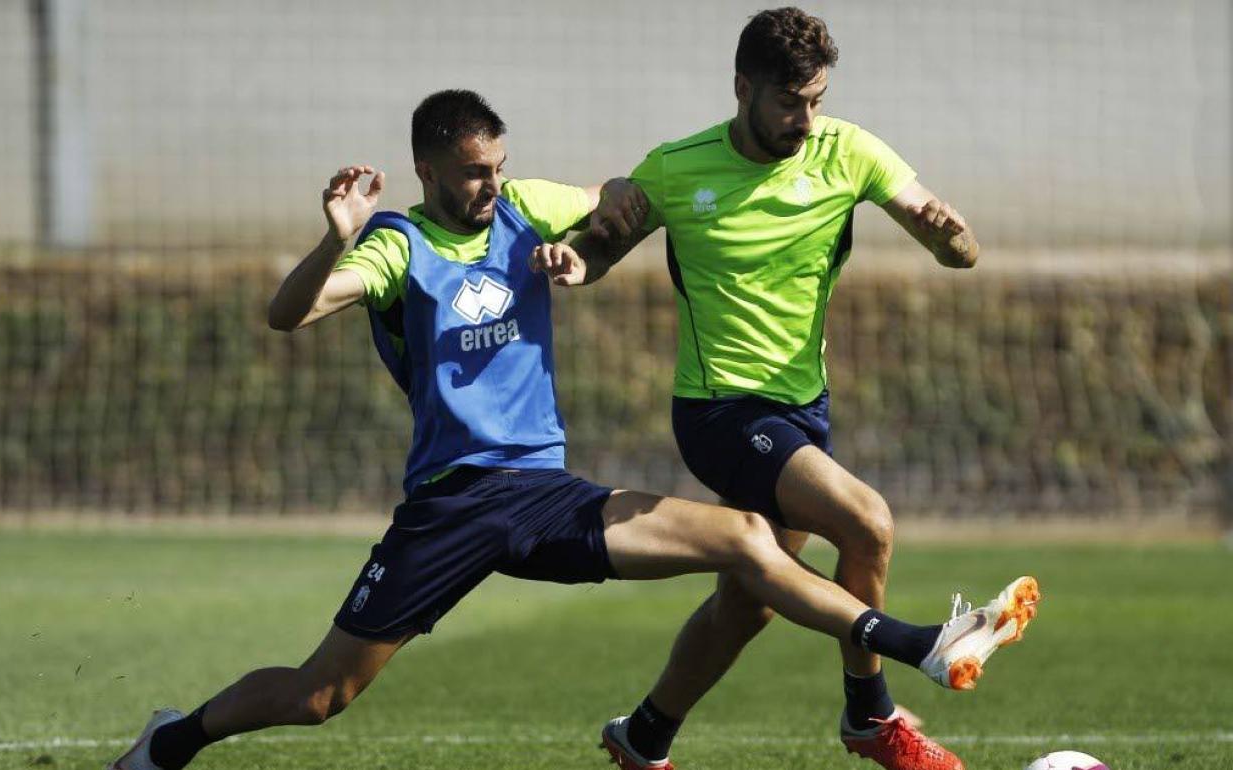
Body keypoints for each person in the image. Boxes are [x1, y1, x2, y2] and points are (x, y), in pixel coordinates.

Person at [107, 89, 1036, 770]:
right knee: (322, 695)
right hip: (452, 506)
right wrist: (336, 236)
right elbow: (288, 314)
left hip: (547, 496)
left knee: (748, 540)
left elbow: (624, 196)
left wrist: (590, 237)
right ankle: (174, 739)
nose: (491, 185)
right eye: (474, 172)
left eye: (499, 167)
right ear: (428, 169)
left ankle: (917, 645)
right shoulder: (399, 244)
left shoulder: (523, 210)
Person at [536, 8, 1005, 770]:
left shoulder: (845, 151)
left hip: (803, 410)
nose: (805, 118)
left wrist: (952, 237)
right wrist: (572, 263)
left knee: (748, 599)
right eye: (789, 102)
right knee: (868, 524)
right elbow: (600, 248)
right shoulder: (677, 168)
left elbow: (953, 243)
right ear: (742, 89)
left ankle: (645, 734)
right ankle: (870, 713)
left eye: (816, 99)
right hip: (720, 413)